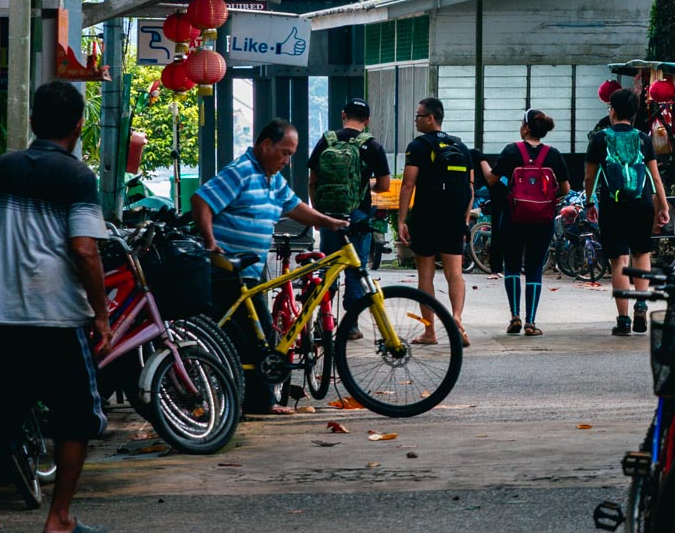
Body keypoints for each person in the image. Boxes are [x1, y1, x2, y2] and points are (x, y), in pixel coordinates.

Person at [0, 82, 110, 533]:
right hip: (55, 317)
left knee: (6, 401)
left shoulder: (1, 169)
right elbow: (84, 248)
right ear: (79, 126)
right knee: (75, 417)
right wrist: (101, 314)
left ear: (33, 122)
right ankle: (60, 519)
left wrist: (13, 228)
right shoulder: (77, 177)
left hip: (0, 315)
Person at [192, 119, 348, 412]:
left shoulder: (272, 178)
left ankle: (256, 402)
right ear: (265, 146)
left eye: (291, 154)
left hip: (250, 271)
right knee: (256, 338)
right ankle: (258, 403)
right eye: (284, 153)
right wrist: (211, 241)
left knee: (256, 337)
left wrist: (330, 223)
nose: (287, 161)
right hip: (226, 272)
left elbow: (295, 207)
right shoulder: (240, 172)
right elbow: (201, 200)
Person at [584, 88, 670, 337]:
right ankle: (641, 304)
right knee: (641, 254)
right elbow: (655, 177)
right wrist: (663, 206)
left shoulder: (600, 139)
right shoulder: (643, 138)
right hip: (641, 203)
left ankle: (623, 320)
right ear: (633, 114)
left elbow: (590, 176)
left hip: (612, 204)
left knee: (618, 261)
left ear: (612, 110)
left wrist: (589, 202)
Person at [308, 98, 391, 337]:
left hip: (328, 215)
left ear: (344, 115)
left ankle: (321, 324)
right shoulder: (372, 145)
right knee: (355, 269)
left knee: (328, 268)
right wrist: (363, 186)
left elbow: (313, 180)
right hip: (357, 215)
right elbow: (384, 185)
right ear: (367, 120)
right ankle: (351, 326)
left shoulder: (327, 140)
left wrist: (318, 211)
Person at [483, 109, 570, 337]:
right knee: (534, 270)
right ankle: (531, 322)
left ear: (526, 127)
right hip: (542, 221)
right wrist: (544, 199)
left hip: (513, 218)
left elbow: (491, 179)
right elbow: (566, 189)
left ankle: (514, 316)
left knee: (511, 266)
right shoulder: (553, 155)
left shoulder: (512, 150)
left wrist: (483, 163)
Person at [398, 96, 472, 346]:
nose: (416, 120)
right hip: (453, 218)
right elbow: (469, 188)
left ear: (431, 118)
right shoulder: (460, 146)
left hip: (426, 218)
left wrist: (401, 219)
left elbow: (408, 184)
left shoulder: (418, 146)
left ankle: (430, 332)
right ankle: (457, 318)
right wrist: (463, 218)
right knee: (455, 275)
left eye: (419, 115)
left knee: (425, 277)